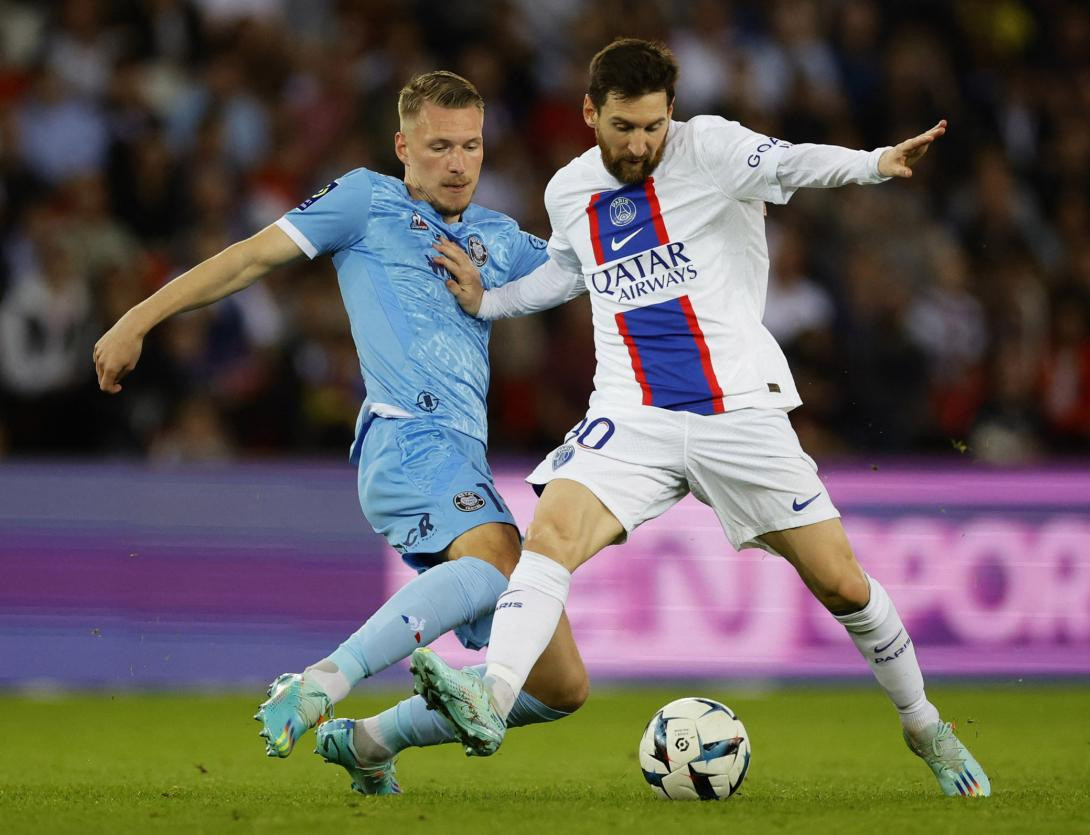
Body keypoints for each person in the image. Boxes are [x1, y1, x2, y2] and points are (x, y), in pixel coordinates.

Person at [411, 39, 990, 798]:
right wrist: (489, 300)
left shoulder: (712, 147)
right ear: (591, 113)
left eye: (653, 125)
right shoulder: (569, 192)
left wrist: (874, 161)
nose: (641, 143)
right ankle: (489, 699)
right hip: (632, 413)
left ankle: (924, 726)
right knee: (547, 534)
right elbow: (565, 271)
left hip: (738, 414)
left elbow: (790, 163)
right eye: (623, 126)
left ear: (671, 113)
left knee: (844, 586)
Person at [92, 71, 589, 796]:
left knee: (556, 682)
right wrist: (137, 317)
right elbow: (251, 256)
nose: (458, 162)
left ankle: (367, 740)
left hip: (462, 460)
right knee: (498, 559)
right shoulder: (367, 200)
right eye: (440, 146)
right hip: (408, 440)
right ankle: (325, 678)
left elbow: (592, 274)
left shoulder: (498, 238)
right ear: (403, 146)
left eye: (472, 146)